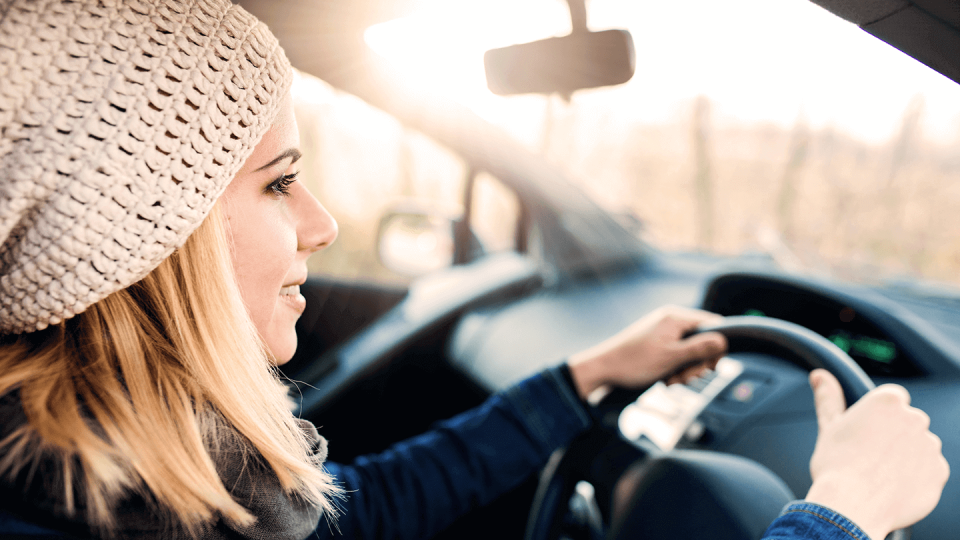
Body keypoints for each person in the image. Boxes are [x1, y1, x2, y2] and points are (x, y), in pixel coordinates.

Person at [0, 1, 948, 539]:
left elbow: (356, 517)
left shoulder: (138, 469)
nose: (323, 224)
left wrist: (584, 379)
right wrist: (841, 514)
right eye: (280, 183)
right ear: (144, 236)